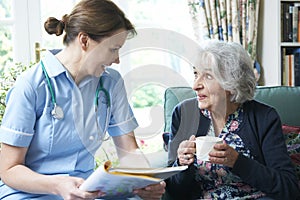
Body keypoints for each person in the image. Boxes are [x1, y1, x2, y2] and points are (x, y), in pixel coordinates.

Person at [0, 0, 165, 199]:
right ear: (84, 41)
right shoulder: (31, 86)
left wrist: (145, 181)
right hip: (32, 193)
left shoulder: (111, 83)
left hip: (86, 192)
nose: (117, 59)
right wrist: (58, 185)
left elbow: (129, 151)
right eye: (113, 49)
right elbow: (9, 169)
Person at [163, 40, 300, 200]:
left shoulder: (264, 118)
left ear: (231, 82)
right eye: (195, 74)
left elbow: (289, 189)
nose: (195, 85)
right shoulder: (183, 114)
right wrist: (181, 164)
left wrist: (237, 162)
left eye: (207, 76)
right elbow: (172, 192)